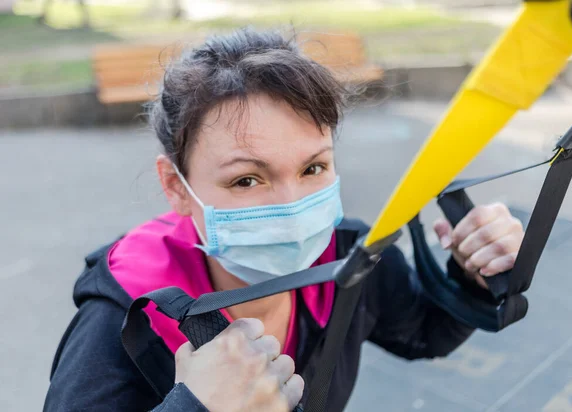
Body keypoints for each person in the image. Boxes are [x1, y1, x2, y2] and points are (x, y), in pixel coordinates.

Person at [44, 28, 525, 412]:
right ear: (176, 187)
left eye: (313, 167)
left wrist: (473, 272)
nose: (293, 206)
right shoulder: (126, 321)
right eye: (247, 180)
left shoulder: (346, 259)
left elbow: (423, 332)